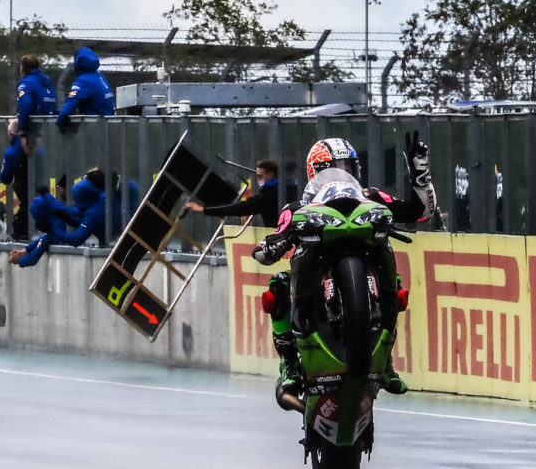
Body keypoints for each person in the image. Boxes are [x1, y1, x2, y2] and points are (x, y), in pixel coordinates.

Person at [252, 133, 437, 410]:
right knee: (277, 287)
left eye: (347, 167)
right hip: (311, 269)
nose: (341, 173)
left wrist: (420, 174)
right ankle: (290, 367)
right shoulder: (298, 207)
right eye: (332, 168)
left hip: (365, 258)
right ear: (314, 172)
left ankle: (385, 360)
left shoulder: (371, 196)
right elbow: (277, 237)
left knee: (397, 285)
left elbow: (420, 212)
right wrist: (273, 243)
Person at [9, 171, 107, 268]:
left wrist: (20, 260)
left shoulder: (90, 212)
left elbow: (37, 252)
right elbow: (60, 210)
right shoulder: (95, 203)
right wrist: (26, 250)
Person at [13, 58, 58, 239]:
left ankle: (25, 229)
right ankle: (39, 224)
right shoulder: (47, 84)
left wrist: (23, 132)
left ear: (23, 68)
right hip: (45, 136)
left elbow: (26, 106)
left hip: (32, 137)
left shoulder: (26, 84)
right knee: (38, 181)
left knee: (23, 184)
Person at [184, 159, 298, 227]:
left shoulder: (270, 196)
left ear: (270, 174)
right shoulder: (291, 188)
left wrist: (204, 209)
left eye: (260, 176)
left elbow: (242, 208)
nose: (258, 179)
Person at [55, 47, 114, 130]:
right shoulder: (100, 77)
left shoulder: (84, 81)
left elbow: (69, 106)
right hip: (107, 127)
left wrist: (59, 123)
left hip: (94, 129)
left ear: (78, 62)